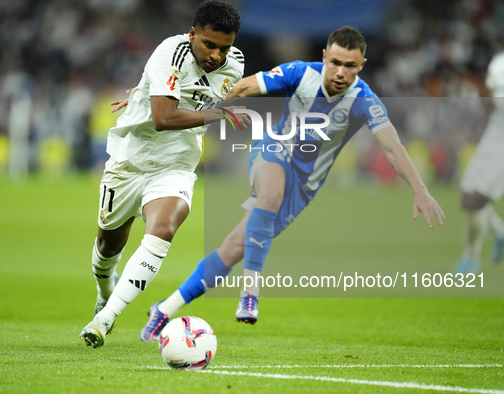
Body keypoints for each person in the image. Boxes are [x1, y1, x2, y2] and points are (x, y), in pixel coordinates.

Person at [127, 26, 445, 342]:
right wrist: (166, 99)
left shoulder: (365, 101)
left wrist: (420, 189)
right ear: (324, 57)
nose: (340, 72)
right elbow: (243, 88)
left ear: (361, 66)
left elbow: (392, 146)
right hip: (273, 151)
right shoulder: (300, 73)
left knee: (234, 248)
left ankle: (164, 310)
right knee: (269, 193)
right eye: (335, 62)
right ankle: (250, 292)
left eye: (350, 66)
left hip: (304, 186)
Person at [79, 0, 248, 349]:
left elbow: (207, 97)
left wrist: (145, 91)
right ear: (192, 34)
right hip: (129, 161)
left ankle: (104, 318)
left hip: (176, 163)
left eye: (224, 47)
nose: (217, 55)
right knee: (108, 244)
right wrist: (217, 115)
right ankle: (104, 290)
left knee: (163, 228)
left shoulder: (236, 64)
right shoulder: (170, 53)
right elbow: (163, 118)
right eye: (209, 44)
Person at [454, 51, 504, 274]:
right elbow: (491, 102)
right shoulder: (499, 62)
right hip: (493, 135)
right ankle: (500, 233)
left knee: (476, 200)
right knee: (467, 196)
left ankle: (471, 260)